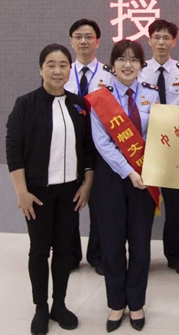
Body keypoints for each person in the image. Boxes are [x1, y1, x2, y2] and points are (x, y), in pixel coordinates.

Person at [5, 44, 96, 335]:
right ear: (41, 68)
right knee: (39, 251)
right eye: (51, 65)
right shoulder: (26, 104)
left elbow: (88, 149)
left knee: (64, 251)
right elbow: (14, 151)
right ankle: (41, 307)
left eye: (63, 65)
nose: (57, 71)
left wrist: (87, 186)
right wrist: (21, 192)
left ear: (70, 69)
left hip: (70, 192)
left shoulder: (79, 105)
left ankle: (59, 304)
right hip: (38, 193)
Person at [86, 40, 161, 332]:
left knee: (140, 245)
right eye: (121, 59)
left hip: (146, 175)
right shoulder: (100, 98)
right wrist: (129, 171)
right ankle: (117, 303)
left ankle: (137, 303)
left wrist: (143, 168)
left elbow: (159, 133)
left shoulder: (152, 94)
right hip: (111, 178)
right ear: (113, 64)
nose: (127, 65)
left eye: (134, 60)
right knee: (112, 244)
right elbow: (102, 142)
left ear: (141, 65)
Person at [138, 19, 179, 277]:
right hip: (143, 147)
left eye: (166, 38)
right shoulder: (138, 70)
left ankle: (176, 257)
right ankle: (140, 256)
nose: (161, 42)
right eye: (157, 37)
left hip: (175, 147)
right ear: (149, 40)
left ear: (174, 41)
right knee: (142, 206)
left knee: (174, 206)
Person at [65, 18, 114, 275]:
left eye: (88, 36)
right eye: (78, 36)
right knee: (68, 201)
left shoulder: (110, 74)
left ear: (97, 41)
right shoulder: (63, 71)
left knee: (100, 203)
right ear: (71, 41)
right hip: (68, 146)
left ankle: (97, 254)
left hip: (99, 147)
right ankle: (71, 254)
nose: (83, 41)